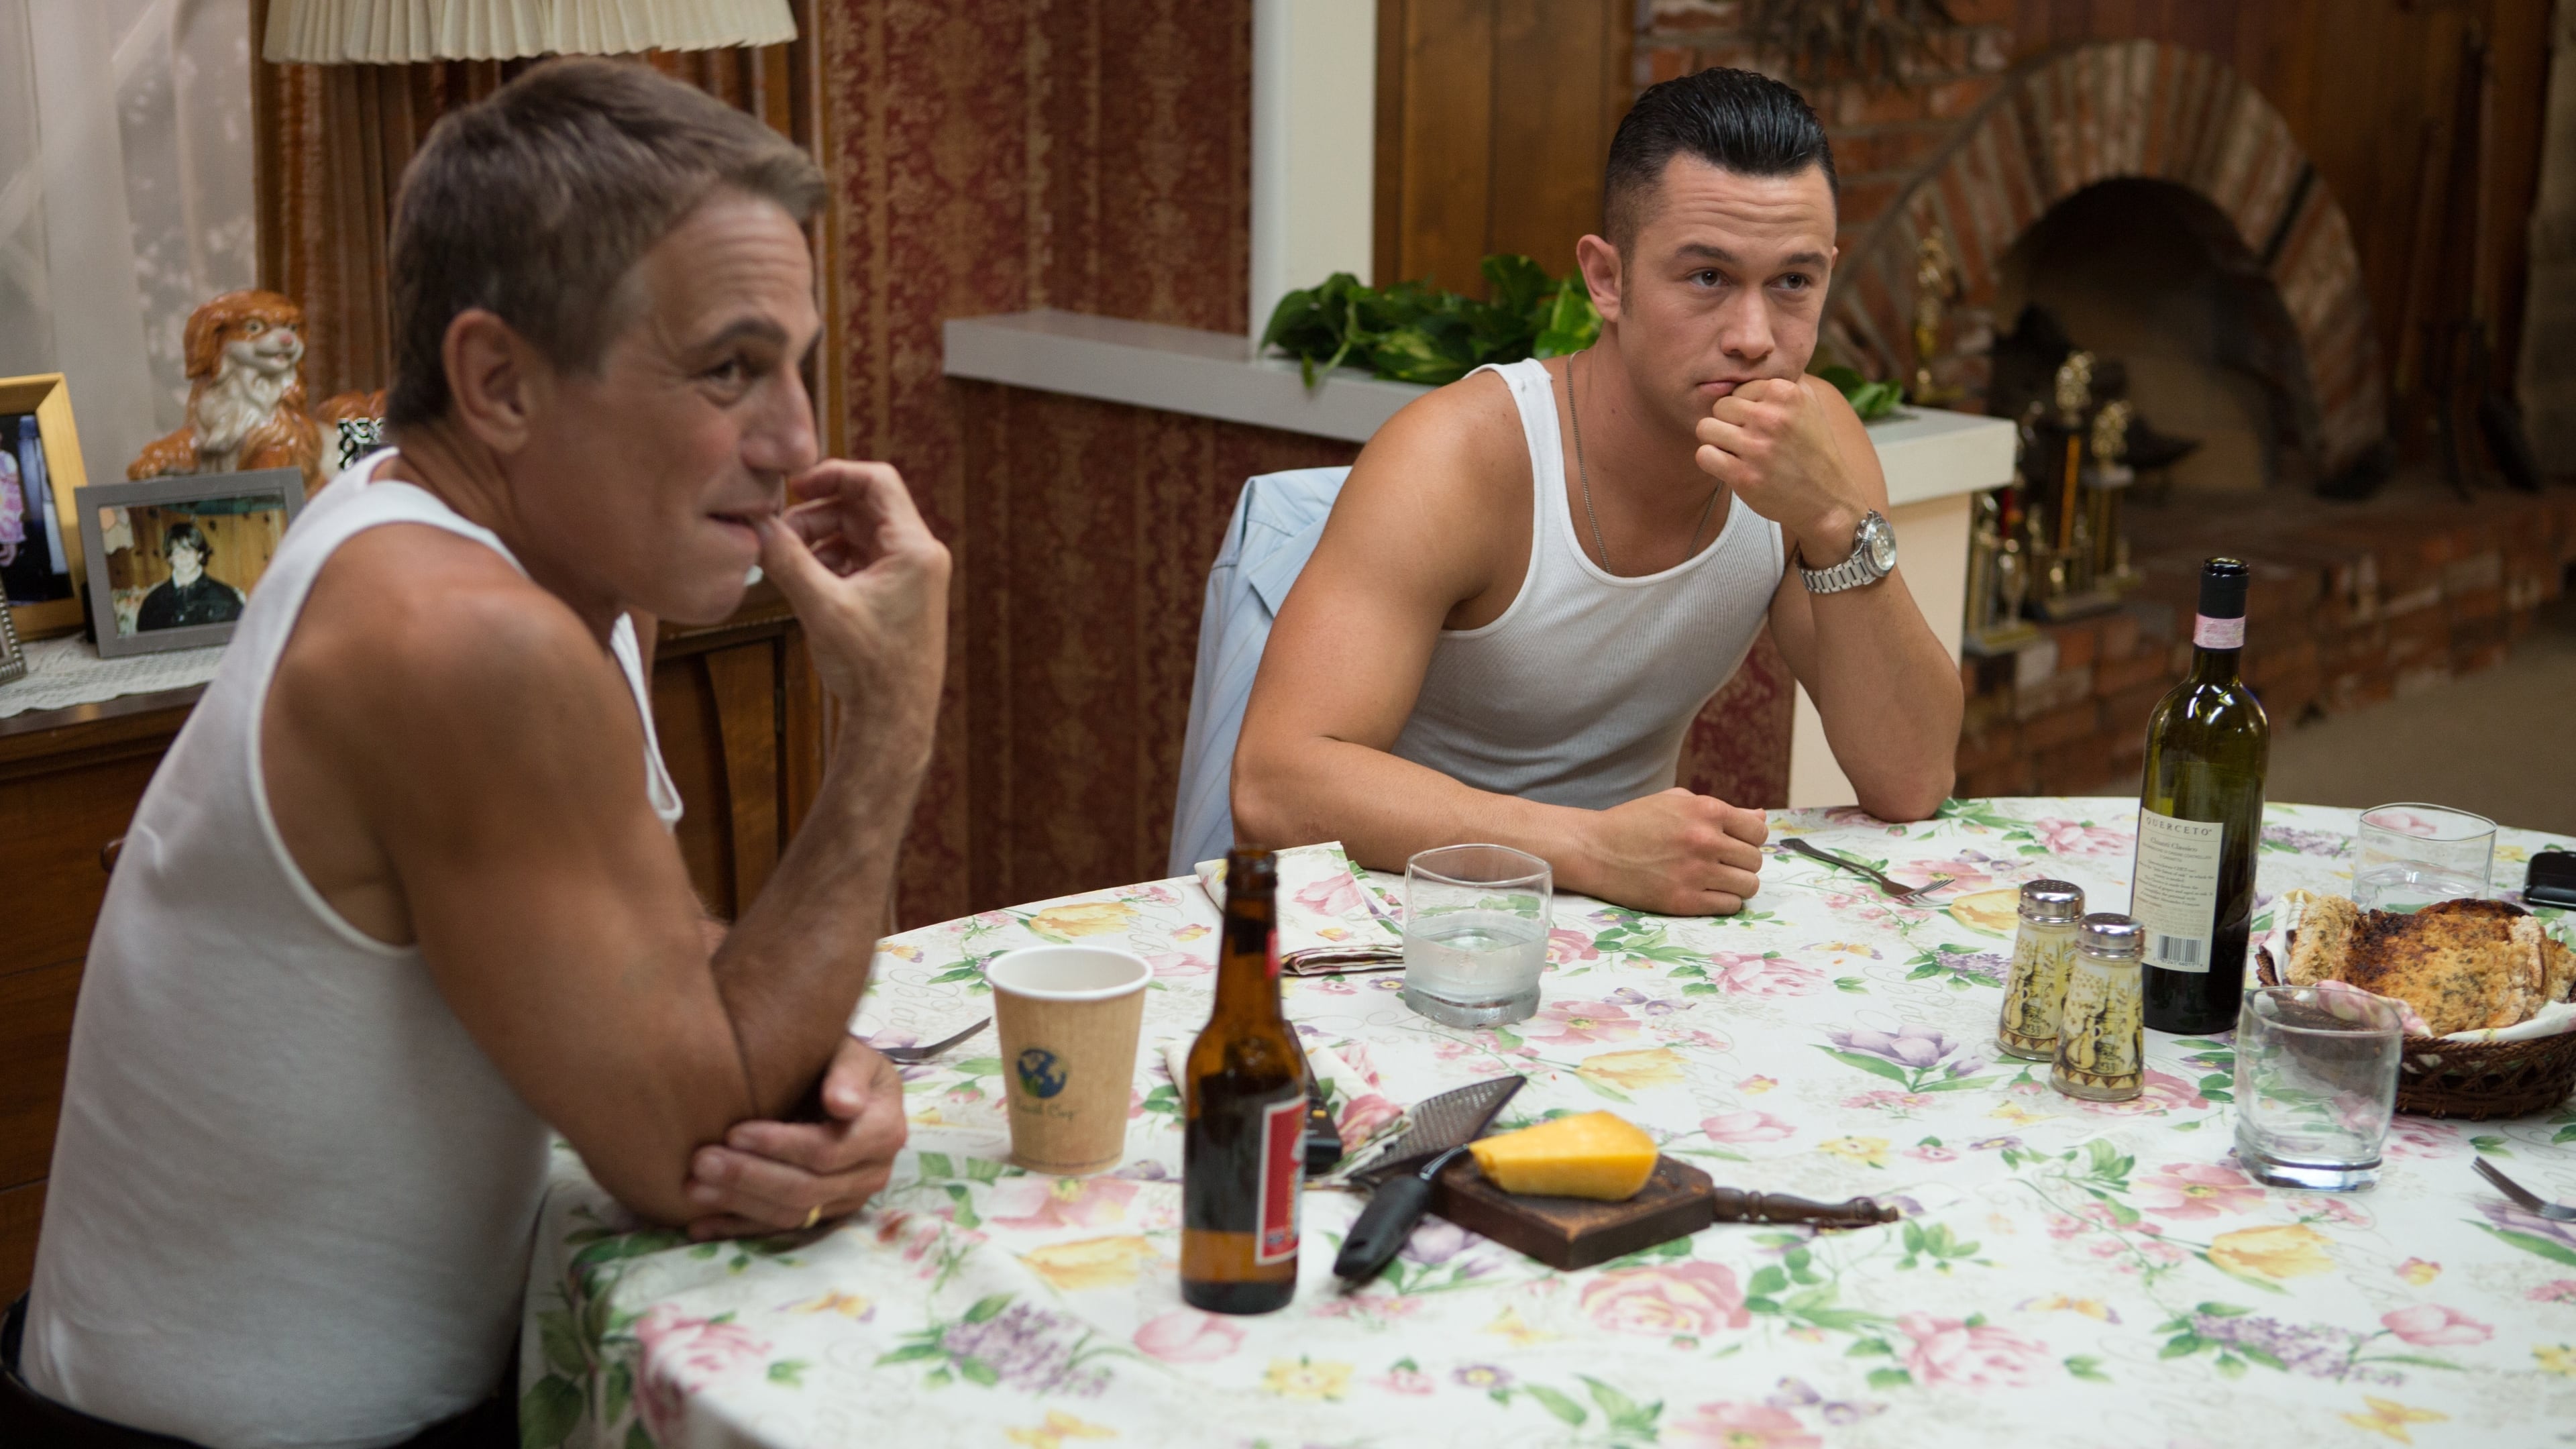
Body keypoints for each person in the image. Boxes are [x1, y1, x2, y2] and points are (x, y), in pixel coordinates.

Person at [9, 60, 947, 1448]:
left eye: (797, 364)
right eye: (729, 369)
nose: (797, 440)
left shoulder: (509, 548)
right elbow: (692, 1150)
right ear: (499, 382)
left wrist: (822, 1067)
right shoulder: (466, 637)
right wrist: (892, 722)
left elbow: (645, 956)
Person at [1232, 68, 1962, 917]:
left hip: (1626, 931)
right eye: (1707, 277)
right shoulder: (1459, 456)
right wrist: (1589, 848)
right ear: (1607, 280)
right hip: (1401, 920)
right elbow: (1276, 784)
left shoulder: (1816, 443)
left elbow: (1911, 781)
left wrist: (1836, 520)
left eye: (1793, 283)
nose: (1754, 337)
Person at [132, 520, 246, 631]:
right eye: (177, 552)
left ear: (200, 555)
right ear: (170, 558)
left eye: (189, 551)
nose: (184, 558)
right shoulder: (154, 602)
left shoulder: (224, 596)